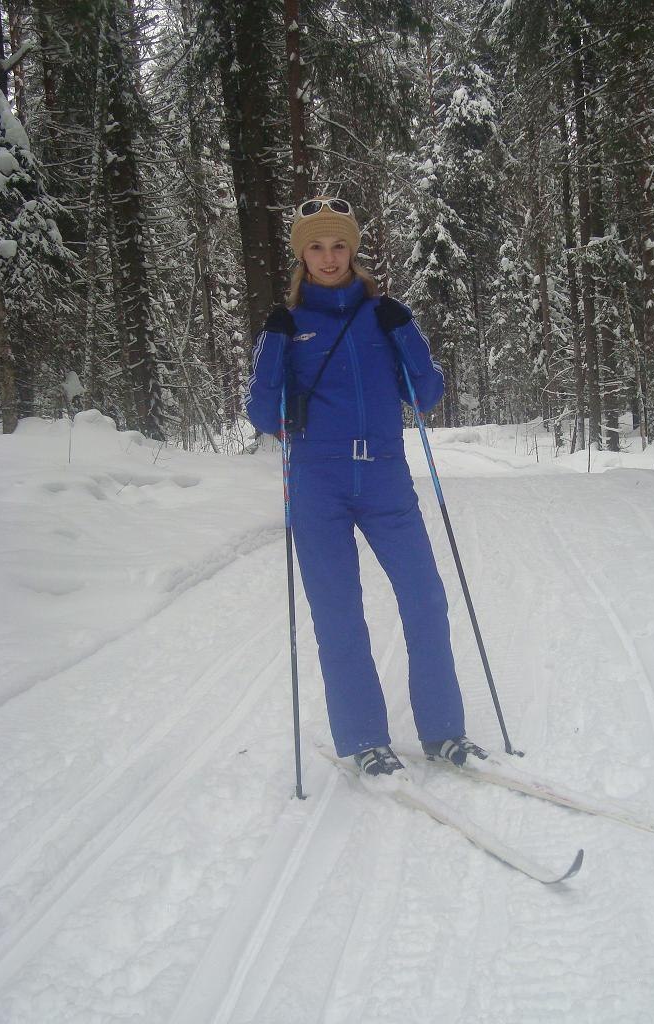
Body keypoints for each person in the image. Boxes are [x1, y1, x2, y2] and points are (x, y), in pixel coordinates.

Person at [245, 196, 484, 777]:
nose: (329, 257)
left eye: (339, 245)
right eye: (316, 247)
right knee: (339, 615)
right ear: (302, 255)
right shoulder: (289, 326)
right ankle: (365, 739)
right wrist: (275, 345)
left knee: (426, 599)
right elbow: (264, 415)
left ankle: (443, 732)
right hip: (317, 483)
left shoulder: (383, 316)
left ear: (353, 250)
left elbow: (426, 396)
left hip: (384, 479)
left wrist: (405, 331)